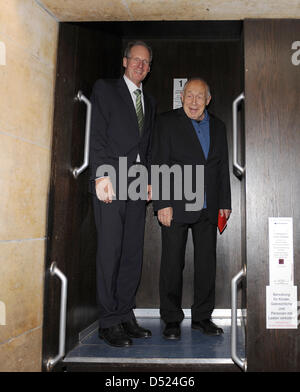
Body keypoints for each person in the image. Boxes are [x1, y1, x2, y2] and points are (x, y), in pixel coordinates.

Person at [152, 78, 231, 340]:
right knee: (172, 264)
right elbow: (159, 162)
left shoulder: (218, 126)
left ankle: (202, 317)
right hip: (175, 205)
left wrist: (225, 204)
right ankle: (171, 319)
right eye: (189, 96)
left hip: (209, 208)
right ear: (182, 97)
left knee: (207, 263)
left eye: (199, 97)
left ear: (208, 100)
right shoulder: (166, 122)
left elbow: (221, 168)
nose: (194, 101)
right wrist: (162, 203)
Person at [89, 41, 156, 347]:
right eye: (136, 60)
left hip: (138, 181)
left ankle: (125, 313)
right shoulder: (105, 89)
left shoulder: (149, 101)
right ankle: (108, 320)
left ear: (149, 68)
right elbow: (98, 133)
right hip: (113, 178)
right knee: (110, 250)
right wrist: (101, 175)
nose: (140, 65)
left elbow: (148, 147)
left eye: (146, 62)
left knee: (132, 251)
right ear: (125, 61)